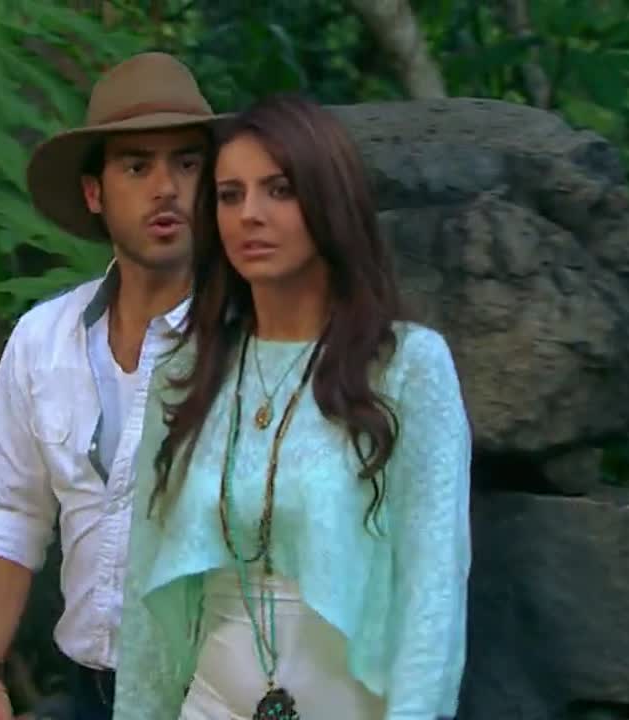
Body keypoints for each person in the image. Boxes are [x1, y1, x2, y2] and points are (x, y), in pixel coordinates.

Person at [112, 94, 472, 720]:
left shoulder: (408, 367)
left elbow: (432, 587)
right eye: (229, 195)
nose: (250, 215)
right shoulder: (187, 373)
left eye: (279, 190)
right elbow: (146, 582)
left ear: (329, 201)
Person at [0, 52, 227, 720]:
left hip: (221, 692)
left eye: (187, 164)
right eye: (137, 166)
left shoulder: (252, 340)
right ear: (94, 193)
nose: (166, 187)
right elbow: (10, 512)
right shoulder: (43, 341)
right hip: (91, 691)